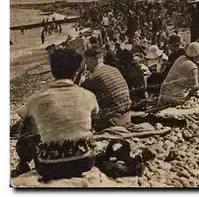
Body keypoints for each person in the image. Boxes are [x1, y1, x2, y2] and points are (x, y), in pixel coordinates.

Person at [12, 48, 98, 181]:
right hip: (84, 160)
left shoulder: (37, 99)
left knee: (30, 121)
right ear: (76, 73)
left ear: (53, 72)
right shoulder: (88, 95)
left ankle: (23, 164)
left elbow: (21, 113)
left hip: (48, 165)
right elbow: (95, 113)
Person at [81, 46, 131, 131]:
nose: (86, 63)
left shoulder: (93, 77)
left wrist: (80, 76)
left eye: (86, 61)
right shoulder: (114, 69)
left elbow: (78, 96)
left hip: (112, 121)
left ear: (91, 60)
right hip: (127, 116)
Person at [158, 42, 199, 107]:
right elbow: (195, 87)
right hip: (176, 99)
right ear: (198, 56)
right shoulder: (193, 67)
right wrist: (190, 95)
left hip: (163, 95)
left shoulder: (181, 58)